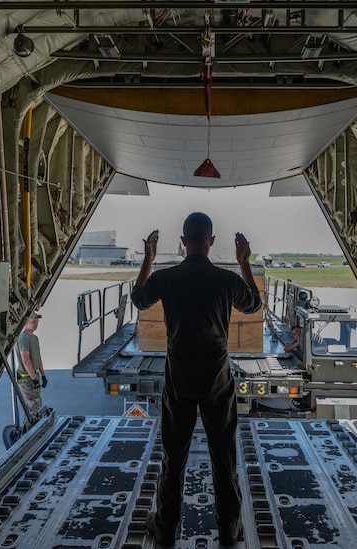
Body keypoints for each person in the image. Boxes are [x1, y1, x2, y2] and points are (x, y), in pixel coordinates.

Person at [132, 212, 262, 547]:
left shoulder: (168, 277)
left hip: (180, 379)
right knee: (224, 456)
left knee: (174, 458)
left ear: (183, 242)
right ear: (211, 242)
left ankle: (165, 528)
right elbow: (253, 304)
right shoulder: (225, 280)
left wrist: (148, 259)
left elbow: (139, 297)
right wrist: (243, 262)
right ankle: (228, 527)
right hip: (217, 380)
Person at [15, 311, 47, 419]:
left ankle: (34, 427)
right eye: (33, 322)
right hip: (27, 378)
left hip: (34, 375)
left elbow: (38, 358)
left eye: (37, 322)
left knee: (36, 404)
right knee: (33, 406)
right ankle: (28, 430)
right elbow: (26, 360)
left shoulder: (34, 338)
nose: (36, 324)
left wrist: (43, 375)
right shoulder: (23, 338)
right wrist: (34, 379)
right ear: (25, 323)